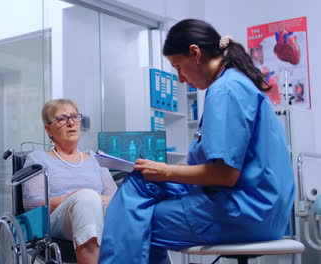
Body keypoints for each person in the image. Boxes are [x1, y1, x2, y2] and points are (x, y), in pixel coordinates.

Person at [99, 19, 295, 264]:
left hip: (246, 211)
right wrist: (168, 172)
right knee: (140, 183)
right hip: (262, 208)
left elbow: (225, 175)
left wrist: (168, 170)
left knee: (136, 222)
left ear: (195, 53)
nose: (180, 79)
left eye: (179, 67)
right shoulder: (234, 83)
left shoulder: (225, 90)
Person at [22, 99, 117, 264]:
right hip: (58, 220)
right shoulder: (37, 159)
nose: (71, 123)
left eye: (74, 117)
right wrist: (74, 196)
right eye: (62, 119)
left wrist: (101, 200)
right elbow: (31, 203)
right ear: (48, 129)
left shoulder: (95, 159)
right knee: (86, 199)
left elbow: (115, 197)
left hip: (99, 211)